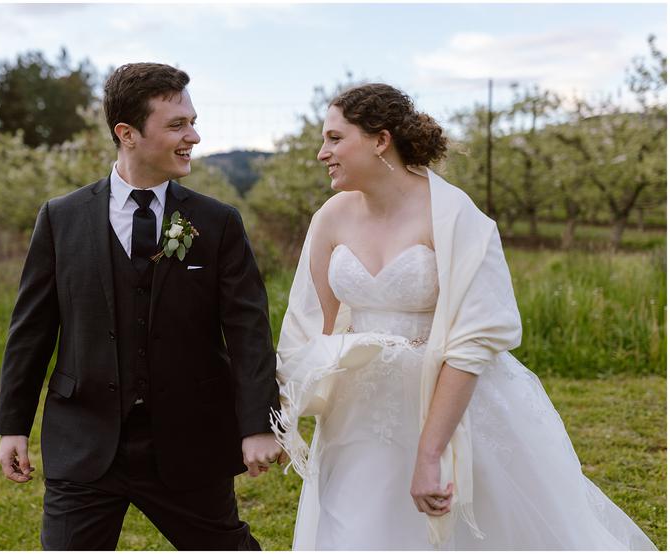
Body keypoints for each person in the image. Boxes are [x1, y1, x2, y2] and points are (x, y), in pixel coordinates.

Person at [270, 83, 657, 550]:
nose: (321, 153)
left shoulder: (456, 217)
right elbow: (317, 330)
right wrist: (283, 410)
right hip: (358, 414)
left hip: (447, 400)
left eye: (334, 138)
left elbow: (471, 341)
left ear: (379, 140)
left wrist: (430, 454)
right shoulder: (330, 218)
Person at [0, 62, 285, 551]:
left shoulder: (218, 223)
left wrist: (258, 423)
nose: (193, 135)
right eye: (177, 125)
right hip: (85, 440)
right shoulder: (61, 218)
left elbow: (247, 330)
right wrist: (12, 426)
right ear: (126, 133)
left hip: (187, 441)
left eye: (191, 121)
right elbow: (32, 329)